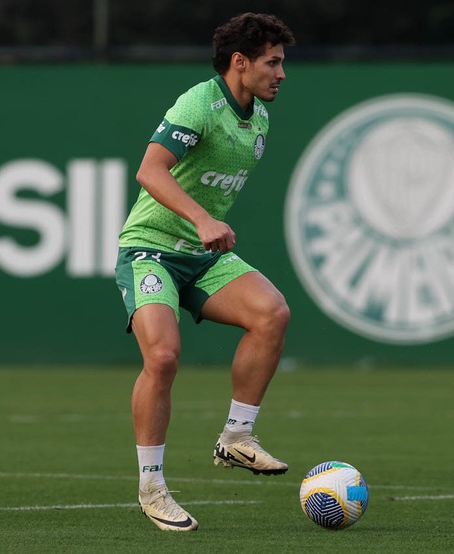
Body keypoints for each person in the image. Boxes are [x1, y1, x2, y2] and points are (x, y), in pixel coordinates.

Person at [114, 13, 296, 531]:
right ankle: (152, 488)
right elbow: (150, 170)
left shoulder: (258, 117)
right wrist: (201, 218)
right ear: (240, 63)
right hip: (150, 249)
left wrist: (203, 230)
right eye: (272, 62)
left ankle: (237, 438)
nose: (281, 74)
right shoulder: (200, 103)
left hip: (202, 254)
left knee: (271, 313)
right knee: (165, 356)